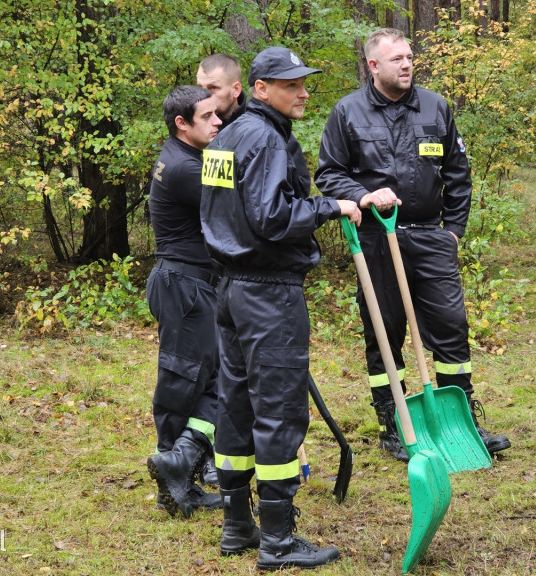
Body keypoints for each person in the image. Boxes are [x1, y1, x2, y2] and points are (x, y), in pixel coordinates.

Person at [315, 28, 511, 462]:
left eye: (409, 57)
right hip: (375, 238)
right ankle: (393, 421)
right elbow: (328, 174)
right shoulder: (347, 113)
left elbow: (458, 174)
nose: (406, 65)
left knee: (450, 326)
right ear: (373, 66)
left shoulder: (435, 107)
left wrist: (452, 233)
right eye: (396, 59)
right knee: (384, 331)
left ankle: (462, 418)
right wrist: (362, 195)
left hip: (429, 235)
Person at [201, 46, 361, 571]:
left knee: (237, 404)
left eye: (304, 82)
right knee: (277, 410)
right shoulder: (265, 138)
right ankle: (277, 540)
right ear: (262, 88)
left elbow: (226, 212)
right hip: (267, 291)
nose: (304, 91)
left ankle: (236, 525)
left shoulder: (225, 136)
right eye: (291, 84)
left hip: (230, 289)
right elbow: (272, 218)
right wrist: (330, 206)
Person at [145, 85, 224, 518]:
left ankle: (182, 471)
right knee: (183, 380)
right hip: (184, 288)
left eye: (218, 114)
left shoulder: (187, 157)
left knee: (211, 382)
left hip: (193, 284)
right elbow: (241, 205)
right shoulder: (182, 168)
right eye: (208, 116)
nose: (218, 122)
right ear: (182, 123)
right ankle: (171, 480)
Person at [197, 54, 246, 129]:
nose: (203, 95)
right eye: (200, 88)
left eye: (213, 88)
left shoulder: (254, 129)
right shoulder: (192, 127)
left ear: (236, 89)